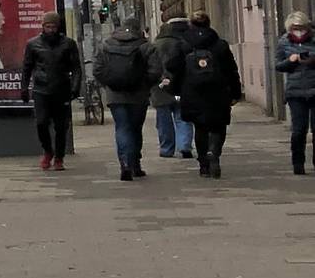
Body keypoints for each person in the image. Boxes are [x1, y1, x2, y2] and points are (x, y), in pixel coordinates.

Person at [165, 12, 243, 178]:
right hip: (218, 92)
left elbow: (171, 66)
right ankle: (214, 151)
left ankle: (204, 165)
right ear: (209, 24)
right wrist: (236, 92)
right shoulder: (220, 44)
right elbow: (231, 70)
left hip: (192, 92)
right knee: (218, 125)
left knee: (200, 127)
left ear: (191, 25)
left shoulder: (183, 44)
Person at [94, 17, 161, 180]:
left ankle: (125, 162)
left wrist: (109, 83)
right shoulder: (146, 46)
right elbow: (155, 71)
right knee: (135, 129)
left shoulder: (106, 45)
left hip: (115, 95)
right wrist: (144, 84)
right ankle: (135, 163)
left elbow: (98, 70)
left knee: (122, 127)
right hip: (138, 95)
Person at [20, 13, 82, 171]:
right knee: (41, 123)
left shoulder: (68, 44)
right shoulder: (33, 44)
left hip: (61, 89)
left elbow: (76, 67)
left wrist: (75, 87)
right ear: (43, 27)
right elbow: (27, 67)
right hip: (41, 90)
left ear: (58, 27)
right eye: (48, 27)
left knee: (61, 126)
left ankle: (59, 157)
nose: (51, 30)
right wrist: (24, 88)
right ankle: (48, 151)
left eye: (53, 27)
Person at [149, 16, 190, 159]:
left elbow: (150, 67)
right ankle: (184, 145)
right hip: (179, 85)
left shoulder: (153, 46)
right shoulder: (182, 44)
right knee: (182, 116)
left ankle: (167, 148)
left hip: (160, 86)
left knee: (163, 119)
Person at [280, 13, 315, 175]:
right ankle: (298, 162)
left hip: (313, 89)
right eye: (295, 28)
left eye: (301, 28)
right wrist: (291, 61)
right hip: (295, 92)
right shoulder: (284, 42)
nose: (299, 31)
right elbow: (278, 65)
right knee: (299, 130)